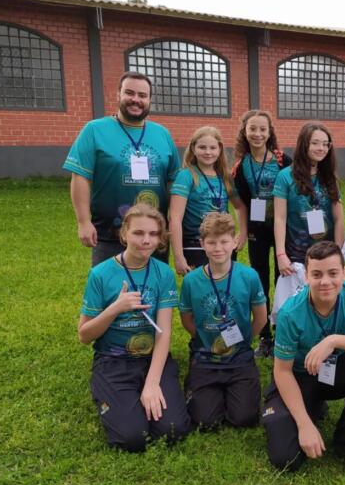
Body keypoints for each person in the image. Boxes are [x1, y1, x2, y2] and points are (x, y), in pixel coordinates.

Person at [262, 241, 345, 481]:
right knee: (286, 458)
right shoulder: (290, 313)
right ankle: (309, 409)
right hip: (300, 376)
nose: (325, 282)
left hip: (335, 372)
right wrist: (303, 425)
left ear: (344, 273)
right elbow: (282, 371)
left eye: (333, 273)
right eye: (317, 274)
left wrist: (333, 340)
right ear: (306, 277)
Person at [77, 203, 190, 451]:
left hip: (151, 359)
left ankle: (143, 392)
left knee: (173, 431)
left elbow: (164, 333)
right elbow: (84, 335)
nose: (146, 240)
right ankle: (109, 392)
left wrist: (152, 383)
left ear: (160, 238)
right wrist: (115, 308)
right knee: (131, 438)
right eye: (138, 233)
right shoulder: (101, 274)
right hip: (114, 361)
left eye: (153, 234)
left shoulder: (163, 273)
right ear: (125, 233)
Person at [64, 71, 180, 267]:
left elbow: (174, 181)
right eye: (130, 93)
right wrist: (83, 222)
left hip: (153, 235)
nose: (136, 100)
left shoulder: (162, 133)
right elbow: (80, 176)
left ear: (150, 100)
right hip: (110, 234)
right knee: (111, 291)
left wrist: (174, 223)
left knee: (152, 291)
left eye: (142, 96)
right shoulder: (94, 130)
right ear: (118, 95)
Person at [179, 212, 268, 430]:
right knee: (204, 421)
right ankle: (201, 386)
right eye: (211, 242)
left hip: (239, 356)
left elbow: (261, 317)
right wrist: (203, 339)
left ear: (235, 241)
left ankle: (237, 389)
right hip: (206, 356)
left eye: (224, 241)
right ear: (202, 244)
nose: (218, 248)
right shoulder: (191, 280)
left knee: (244, 418)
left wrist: (245, 338)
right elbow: (187, 319)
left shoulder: (249, 276)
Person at [232, 110, 292, 358]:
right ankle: (265, 337)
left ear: (270, 132)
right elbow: (241, 205)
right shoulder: (241, 166)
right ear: (245, 132)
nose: (257, 134)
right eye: (252, 129)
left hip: (282, 230)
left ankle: (283, 332)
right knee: (260, 281)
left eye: (262, 129)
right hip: (257, 231)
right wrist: (242, 232)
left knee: (283, 280)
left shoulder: (282, 160)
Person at [169, 126, 248, 275]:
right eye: (202, 147)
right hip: (195, 244)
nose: (208, 152)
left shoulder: (225, 177)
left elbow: (240, 207)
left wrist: (242, 233)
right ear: (193, 148)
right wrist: (179, 257)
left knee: (225, 290)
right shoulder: (186, 176)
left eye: (212, 147)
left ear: (220, 149)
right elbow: (175, 218)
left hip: (223, 244)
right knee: (201, 291)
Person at [273, 122, 344, 276]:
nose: (321, 148)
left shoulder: (330, 177)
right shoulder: (285, 176)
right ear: (304, 144)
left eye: (326, 144)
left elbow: (339, 218)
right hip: (295, 255)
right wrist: (280, 255)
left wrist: (338, 254)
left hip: (326, 254)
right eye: (315, 143)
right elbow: (280, 218)